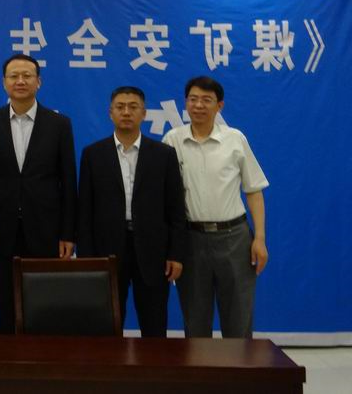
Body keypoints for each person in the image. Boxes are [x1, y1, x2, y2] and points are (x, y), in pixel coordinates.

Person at [0, 54, 77, 334]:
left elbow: (68, 181)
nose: (20, 81)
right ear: (4, 82)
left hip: (47, 230)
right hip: (2, 228)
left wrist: (68, 234)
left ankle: (43, 357)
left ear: (38, 82)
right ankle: (7, 356)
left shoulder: (59, 124)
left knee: (45, 303)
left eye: (27, 76)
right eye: (14, 76)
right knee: (6, 302)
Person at [163, 76, 269, 338]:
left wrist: (259, 238)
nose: (199, 105)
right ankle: (201, 366)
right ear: (185, 103)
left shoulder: (235, 139)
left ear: (219, 105)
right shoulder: (172, 140)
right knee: (195, 319)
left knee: (238, 317)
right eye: (193, 99)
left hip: (234, 238)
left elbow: (254, 190)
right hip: (191, 240)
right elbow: (164, 197)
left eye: (206, 100)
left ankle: (239, 365)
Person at [77, 86, 186, 337]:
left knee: (154, 323)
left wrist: (176, 254)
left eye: (133, 107)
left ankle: (154, 364)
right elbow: (85, 210)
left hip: (153, 250)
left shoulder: (164, 155)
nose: (126, 112)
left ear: (144, 113)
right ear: (110, 113)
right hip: (107, 249)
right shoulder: (93, 154)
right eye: (120, 107)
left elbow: (175, 209)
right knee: (106, 324)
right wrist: (87, 258)